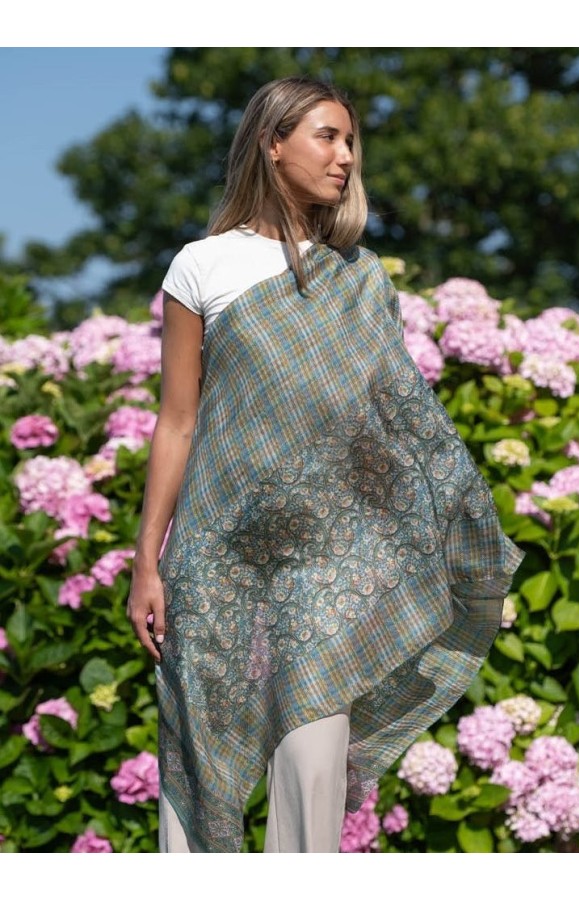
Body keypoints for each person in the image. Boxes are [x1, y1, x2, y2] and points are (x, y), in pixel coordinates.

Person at [127, 75, 524, 854]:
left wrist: (449, 530)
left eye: (350, 142)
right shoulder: (202, 266)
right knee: (199, 765)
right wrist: (148, 561)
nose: (344, 157)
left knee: (310, 769)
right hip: (219, 557)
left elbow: (397, 425)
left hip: (329, 565)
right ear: (272, 143)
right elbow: (177, 422)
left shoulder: (358, 277)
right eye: (327, 137)